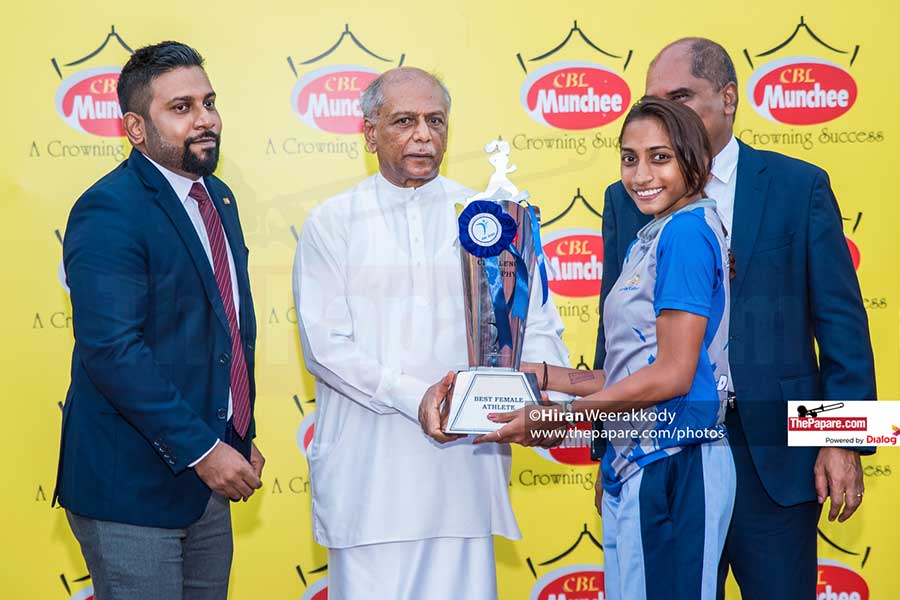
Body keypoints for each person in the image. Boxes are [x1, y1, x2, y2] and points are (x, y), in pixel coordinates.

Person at [592, 38, 876, 599]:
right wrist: (608, 449)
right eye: (653, 101)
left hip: (773, 457)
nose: (665, 114)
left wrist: (845, 440)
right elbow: (616, 332)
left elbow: (842, 320)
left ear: (728, 98)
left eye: (680, 97)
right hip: (662, 454)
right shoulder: (625, 196)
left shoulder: (799, 185)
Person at [293, 67, 570, 600]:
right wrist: (416, 396)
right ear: (370, 133)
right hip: (369, 478)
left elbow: (534, 323)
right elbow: (325, 348)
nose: (423, 134)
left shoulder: (489, 218)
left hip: (464, 474)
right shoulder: (333, 221)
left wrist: (543, 404)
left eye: (435, 121)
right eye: (404, 121)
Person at [485, 96, 735, 600]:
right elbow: (631, 373)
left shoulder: (686, 234)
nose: (641, 175)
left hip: (675, 459)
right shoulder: (653, 236)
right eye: (629, 158)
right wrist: (538, 374)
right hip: (640, 461)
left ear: (695, 161)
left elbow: (672, 375)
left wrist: (559, 418)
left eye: (660, 157)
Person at [54, 41, 264, 600]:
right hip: (131, 487)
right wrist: (204, 450)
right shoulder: (110, 208)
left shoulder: (216, 198)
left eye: (208, 102)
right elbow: (113, 350)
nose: (205, 119)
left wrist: (239, 433)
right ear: (135, 128)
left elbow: (224, 330)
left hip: (206, 482)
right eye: (181, 107)